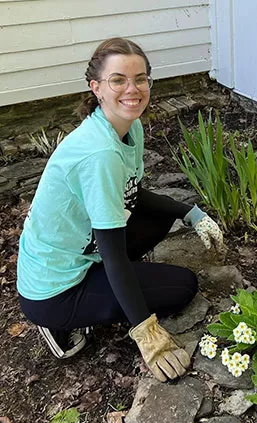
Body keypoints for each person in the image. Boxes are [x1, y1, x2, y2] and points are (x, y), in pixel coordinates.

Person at [16, 37, 224, 382]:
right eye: (119, 80)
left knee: (160, 218)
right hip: (54, 289)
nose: (133, 89)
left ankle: (109, 291)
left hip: (80, 254)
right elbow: (114, 255)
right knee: (182, 287)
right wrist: (148, 335)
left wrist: (190, 212)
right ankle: (59, 323)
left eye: (140, 78)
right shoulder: (99, 154)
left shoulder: (128, 127)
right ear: (96, 87)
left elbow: (132, 194)